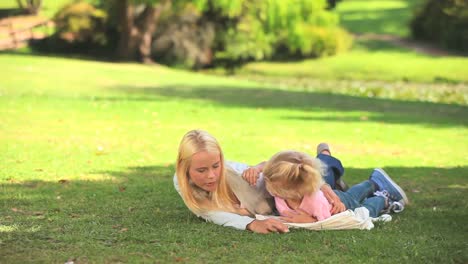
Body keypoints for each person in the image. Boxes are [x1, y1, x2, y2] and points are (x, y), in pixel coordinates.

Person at [173, 130, 345, 233]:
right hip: (281, 205)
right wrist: (251, 224)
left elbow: (277, 167)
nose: (211, 175)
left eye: (216, 166)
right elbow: (209, 213)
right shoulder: (182, 183)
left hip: (291, 187)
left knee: (325, 171)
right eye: (201, 170)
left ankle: (325, 154)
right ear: (184, 167)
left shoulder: (235, 171)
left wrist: (323, 187)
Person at [262, 150, 409, 223]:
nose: (266, 185)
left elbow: (328, 222)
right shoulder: (281, 192)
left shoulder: (315, 203)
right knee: (352, 194)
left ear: (293, 191)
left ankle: (382, 199)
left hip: (341, 206)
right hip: (336, 196)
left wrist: (310, 221)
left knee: (364, 209)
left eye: (270, 183)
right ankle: (372, 183)